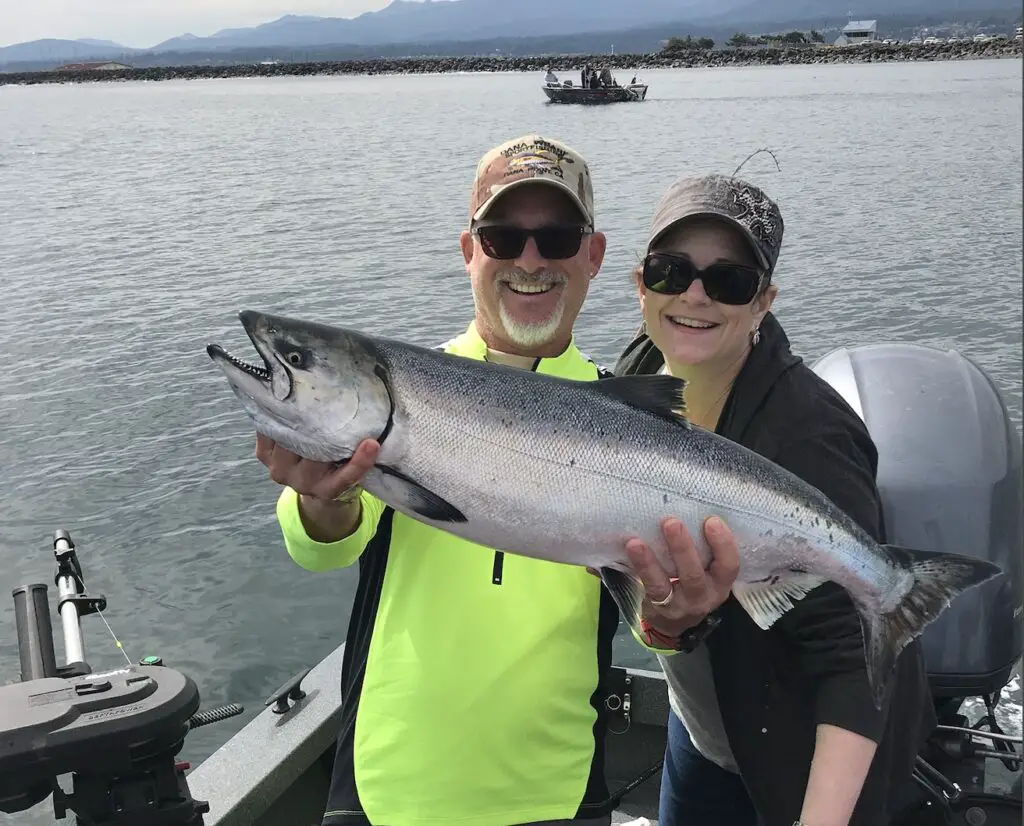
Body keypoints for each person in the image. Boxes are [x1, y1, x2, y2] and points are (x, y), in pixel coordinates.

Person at [254, 136, 741, 826]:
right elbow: (323, 544)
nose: (531, 260)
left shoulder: (635, 421)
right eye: (504, 236)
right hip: (388, 786)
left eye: (558, 237)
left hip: (557, 790)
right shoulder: (386, 393)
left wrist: (678, 618)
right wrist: (318, 497)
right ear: (469, 251)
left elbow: (650, 623)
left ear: (594, 256)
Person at [614, 172, 937, 826]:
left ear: (764, 302)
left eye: (728, 280)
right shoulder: (634, 383)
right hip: (700, 730)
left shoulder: (811, 436)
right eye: (671, 272)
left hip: (795, 756)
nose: (694, 296)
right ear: (640, 284)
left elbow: (852, 655)